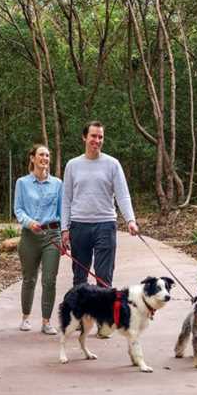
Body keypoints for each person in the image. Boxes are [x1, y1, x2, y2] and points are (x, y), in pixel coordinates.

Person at [61, 121, 139, 295]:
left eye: (100, 137)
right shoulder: (73, 165)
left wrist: (130, 220)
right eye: (93, 136)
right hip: (79, 226)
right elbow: (66, 199)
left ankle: (104, 320)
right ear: (84, 137)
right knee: (80, 278)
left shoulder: (113, 164)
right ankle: (81, 319)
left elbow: (123, 195)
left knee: (104, 278)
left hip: (105, 225)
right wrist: (64, 228)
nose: (97, 140)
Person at [14, 144, 62, 335]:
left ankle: (46, 321)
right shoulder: (22, 183)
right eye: (41, 155)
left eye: (48, 155)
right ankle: (25, 317)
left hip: (52, 235)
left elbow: (62, 211)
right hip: (30, 236)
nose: (45, 158)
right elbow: (18, 209)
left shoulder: (58, 184)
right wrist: (28, 222)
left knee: (49, 280)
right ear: (32, 158)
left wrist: (65, 233)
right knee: (29, 279)